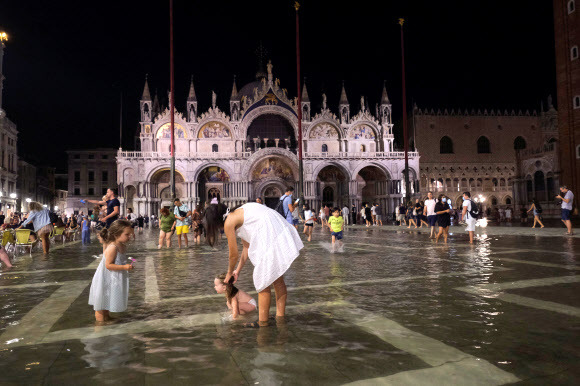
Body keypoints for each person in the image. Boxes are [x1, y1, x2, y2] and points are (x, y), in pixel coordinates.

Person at [207, 202, 303, 327]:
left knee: (262, 283)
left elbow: (233, 254)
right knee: (277, 279)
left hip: (268, 232)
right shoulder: (239, 213)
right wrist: (237, 271)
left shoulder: (229, 222)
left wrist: (229, 272)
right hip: (276, 227)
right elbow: (246, 248)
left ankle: (262, 323)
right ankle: (280, 317)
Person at [88, 220, 134, 322]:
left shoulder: (122, 246)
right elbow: (108, 265)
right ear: (117, 234)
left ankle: (107, 318)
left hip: (112, 277)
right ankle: (99, 325)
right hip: (105, 278)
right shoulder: (113, 247)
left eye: (130, 234)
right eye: (127, 234)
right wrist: (125, 267)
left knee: (107, 298)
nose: (129, 237)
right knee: (100, 303)